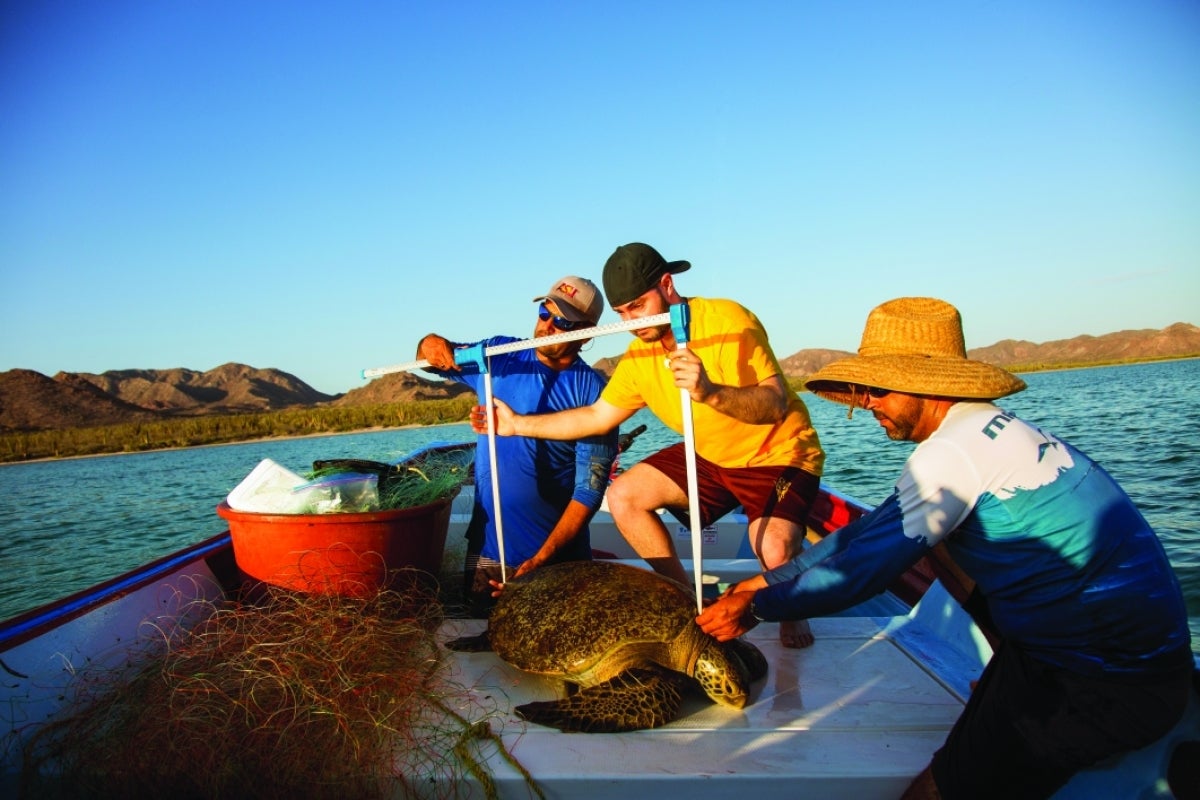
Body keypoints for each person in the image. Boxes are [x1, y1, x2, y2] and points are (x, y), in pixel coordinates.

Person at [696, 296, 1194, 799]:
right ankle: (1001, 671)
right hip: (1132, 654)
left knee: (934, 791)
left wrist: (756, 608)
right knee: (933, 541)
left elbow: (861, 575)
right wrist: (760, 582)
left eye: (877, 390)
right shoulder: (987, 430)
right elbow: (863, 536)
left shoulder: (950, 456)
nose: (865, 404)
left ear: (924, 384)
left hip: (1100, 681)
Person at [474, 242, 826, 648]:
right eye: (622, 312)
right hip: (709, 454)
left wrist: (710, 392)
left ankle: (792, 608)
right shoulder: (638, 357)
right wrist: (517, 425)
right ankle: (688, 598)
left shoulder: (730, 319)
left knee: (775, 548)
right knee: (624, 495)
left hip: (777, 453)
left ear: (667, 284)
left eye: (638, 306)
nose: (631, 321)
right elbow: (596, 417)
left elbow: (776, 403)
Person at [417, 276, 618, 616]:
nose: (548, 326)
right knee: (481, 654)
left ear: (586, 332)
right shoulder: (499, 355)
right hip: (488, 553)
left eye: (563, 322)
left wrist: (544, 558)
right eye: (545, 313)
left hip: (556, 560)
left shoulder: (595, 392)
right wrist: (429, 343)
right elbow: (432, 362)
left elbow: (590, 490)